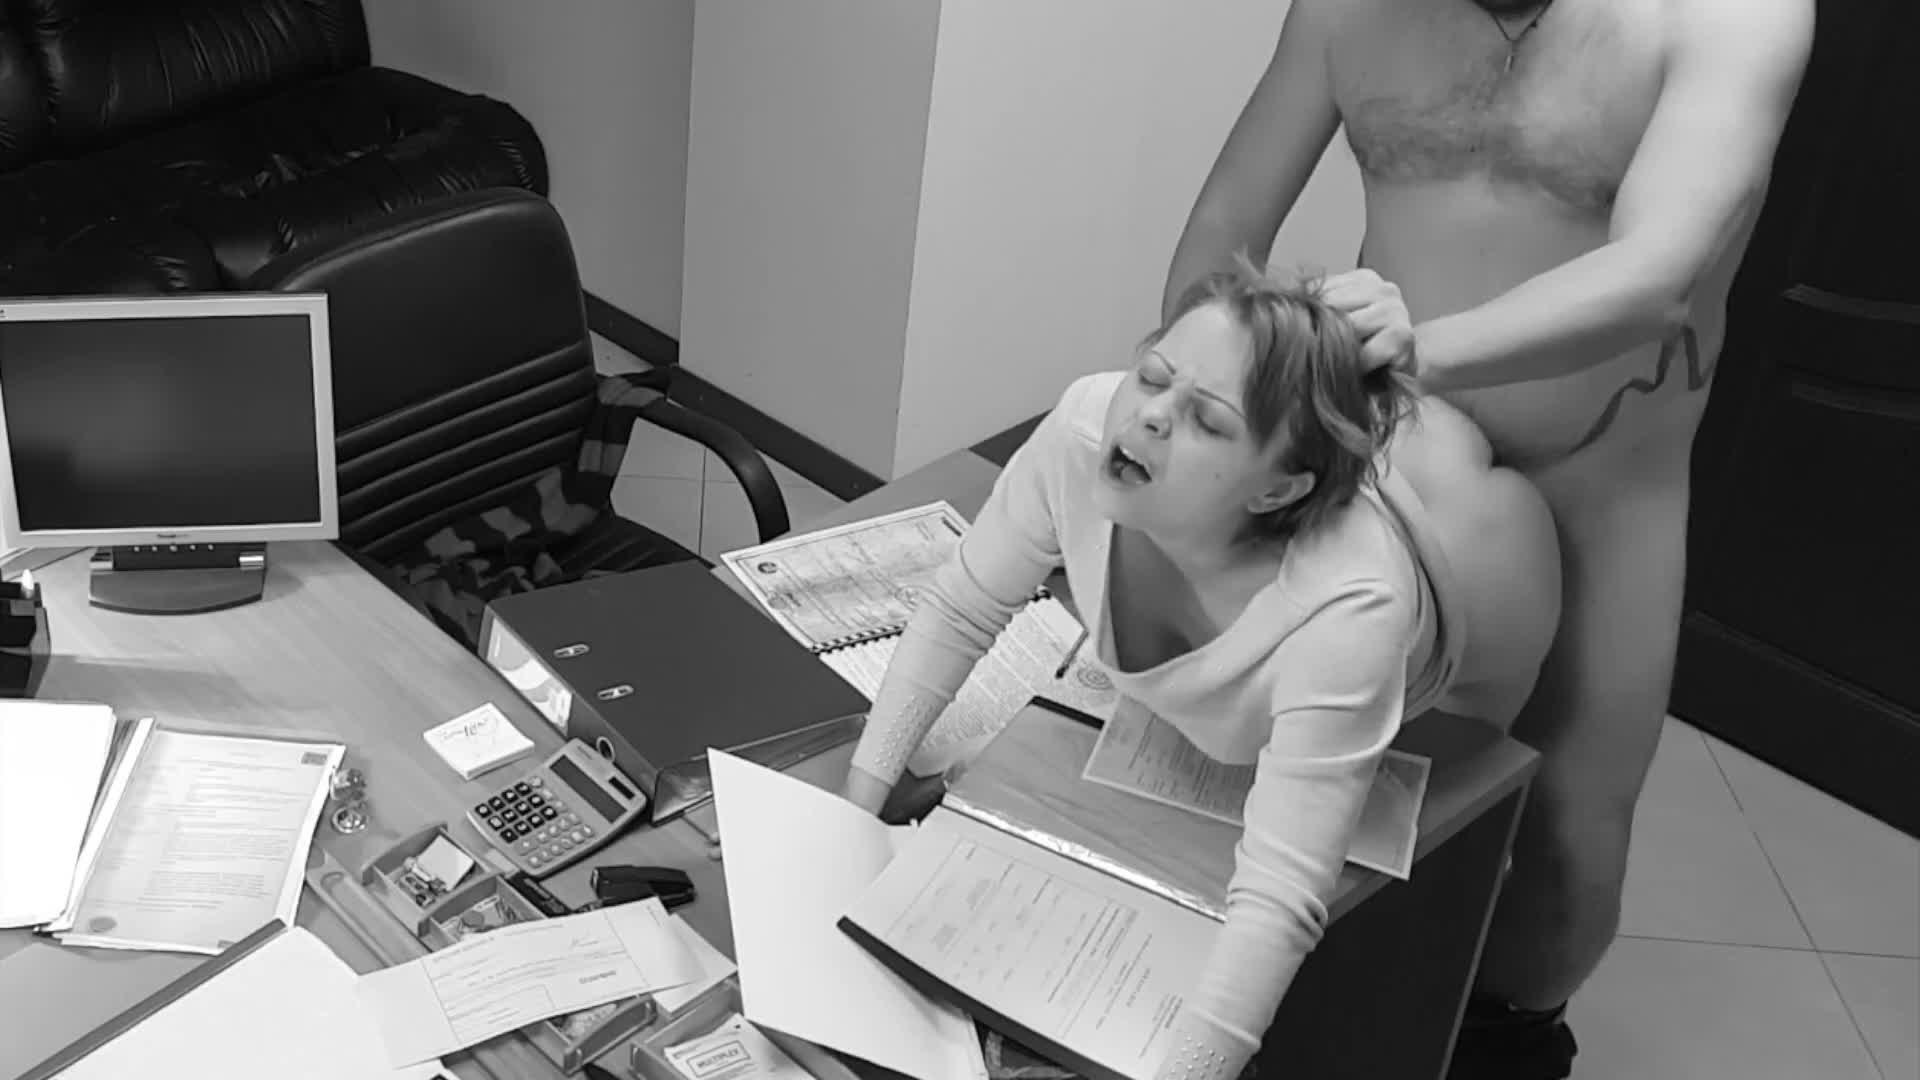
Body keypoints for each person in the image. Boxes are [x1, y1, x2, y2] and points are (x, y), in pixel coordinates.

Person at [1160, 0, 1814, 1075]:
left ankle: (1502, 1044)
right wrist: (1186, 398)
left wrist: (1414, 351)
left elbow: (1658, 276)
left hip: (1601, 481)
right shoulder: (1348, 11)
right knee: (1305, 778)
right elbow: (1229, 218)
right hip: (1398, 457)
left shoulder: (1731, 15)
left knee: (1567, 850)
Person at [841, 258, 1562, 1080]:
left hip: (1477, 557)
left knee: (1479, 854)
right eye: (1153, 376)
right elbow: (962, 607)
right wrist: (854, 810)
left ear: (1275, 489)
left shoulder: (1350, 611)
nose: (1149, 415)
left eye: (1207, 422)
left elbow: (1281, 895)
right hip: (1327, 485)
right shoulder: (1087, 428)